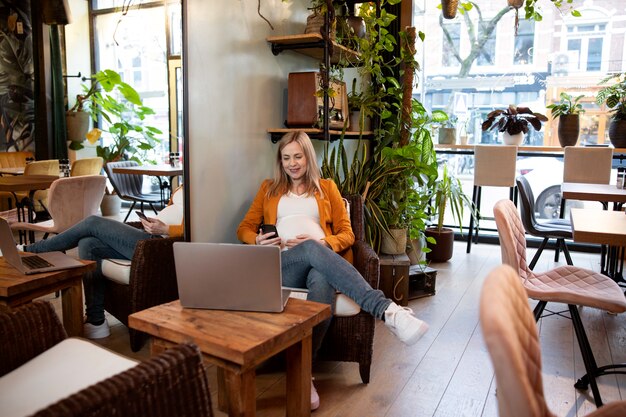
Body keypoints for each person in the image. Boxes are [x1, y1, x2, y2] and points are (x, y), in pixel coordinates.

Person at [237, 131, 428, 411]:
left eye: (298, 156)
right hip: (283, 265)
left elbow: (348, 234)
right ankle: (388, 310)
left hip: (321, 264)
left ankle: (304, 375)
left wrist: (322, 242)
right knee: (313, 251)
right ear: (280, 161)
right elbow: (244, 227)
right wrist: (257, 239)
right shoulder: (269, 189)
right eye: (286, 158)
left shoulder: (327, 188)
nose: (292, 163)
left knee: (321, 272)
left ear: (308, 157)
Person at [20, 186, 184, 339]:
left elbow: (193, 228)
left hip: (158, 246)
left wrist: (165, 230)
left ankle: (30, 250)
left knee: (92, 222)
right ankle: (96, 321)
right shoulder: (188, 182)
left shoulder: (203, 192)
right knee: (88, 243)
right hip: (150, 236)